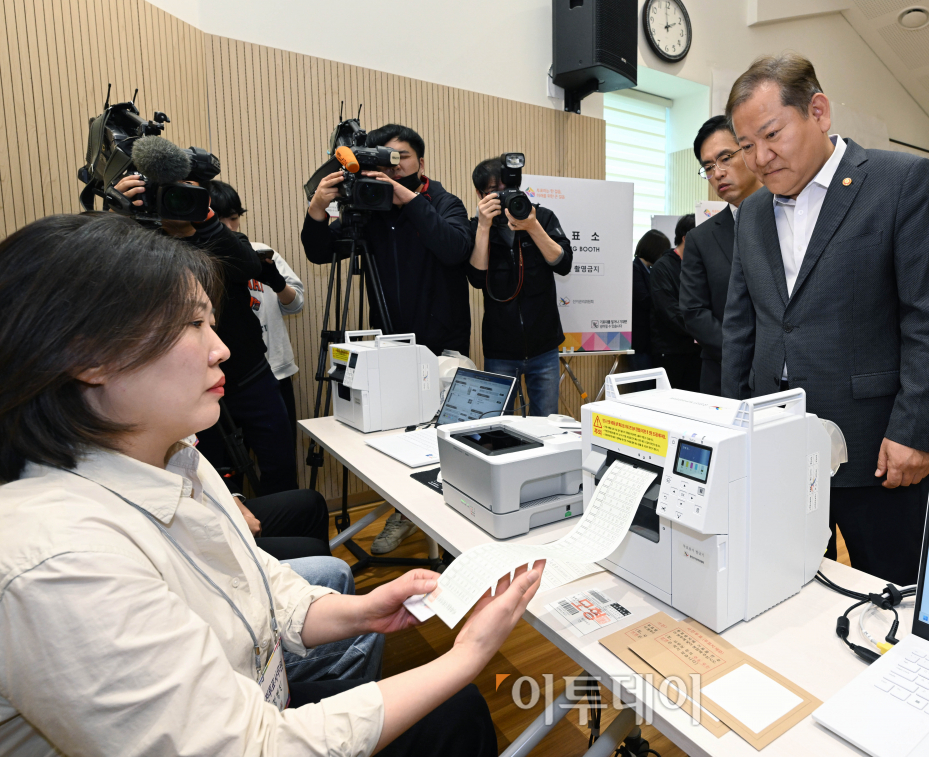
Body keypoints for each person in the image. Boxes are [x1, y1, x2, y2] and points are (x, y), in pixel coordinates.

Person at [0, 213, 542, 756]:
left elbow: (255, 580)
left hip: (255, 701)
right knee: (456, 706)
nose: (221, 349)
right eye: (192, 325)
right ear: (90, 355)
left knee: (455, 712)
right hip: (251, 735)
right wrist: (465, 655)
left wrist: (361, 610)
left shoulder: (177, 453)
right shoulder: (60, 562)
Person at [722, 53, 929, 586]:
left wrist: (916, 433)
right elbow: (744, 326)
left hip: (877, 449)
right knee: (789, 588)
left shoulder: (900, 182)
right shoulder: (755, 212)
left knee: (893, 589)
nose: (758, 158)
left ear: (819, 112)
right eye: (744, 146)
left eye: (771, 134)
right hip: (778, 449)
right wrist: (736, 426)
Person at [303, 124, 472, 555]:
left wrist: (409, 199)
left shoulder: (443, 203)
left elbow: (455, 249)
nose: (393, 168)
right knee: (400, 437)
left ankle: (452, 526)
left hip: (442, 345)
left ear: (420, 162)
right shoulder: (369, 208)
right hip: (390, 347)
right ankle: (406, 509)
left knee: (445, 440)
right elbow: (321, 251)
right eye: (385, 160)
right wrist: (319, 209)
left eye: (402, 159)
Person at [114, 152, 300, 499]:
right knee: (212, 475)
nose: (180, 201)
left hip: (250, 375)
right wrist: (119, 218)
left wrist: (207, 220)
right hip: (187, 383)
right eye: (169, 194)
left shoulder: (223, 239)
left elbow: (248, 266)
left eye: (191, 193)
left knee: (279, 465)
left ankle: (286, 532)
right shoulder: (142, 247)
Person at [468, 156, 573, 416]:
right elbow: (477, 279)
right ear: (480, 195)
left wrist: (532, 226)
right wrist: (484, 227)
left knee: (546, 428)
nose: (504, 199)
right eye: (495, 193)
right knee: (497, 426)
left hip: (544, 348)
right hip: (500, 350)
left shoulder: (543, 217)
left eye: (509, 191)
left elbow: (563, 264)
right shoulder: (478, 227)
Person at [211, 180, 306, 436]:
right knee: (231, 466)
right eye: (220, 220)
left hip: (275, 369)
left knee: (279, 458)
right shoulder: (197, 259)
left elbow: (296, 304)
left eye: (233, 218)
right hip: (225, 377)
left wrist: (276, 282)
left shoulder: (259, 251)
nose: (229, 228)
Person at [681, 115, 763, 395]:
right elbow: (694, 312)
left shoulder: (793, 219)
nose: (717, 172)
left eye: (725, 157)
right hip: (725, 377)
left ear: (749, 149)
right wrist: (747, 353)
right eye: (708, 167)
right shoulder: (700, 238)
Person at [651, 215, 702, 391]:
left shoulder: (699, 265)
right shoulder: (663, 267)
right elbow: (669, 311)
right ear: (686, 238)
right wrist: (701, 330)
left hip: (698, 351)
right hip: (671, 351)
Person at [629, 229, 671, 381]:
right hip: (641, 340)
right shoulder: (634, 269)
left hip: (650, 341)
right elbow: (644, 300)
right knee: (643, 386)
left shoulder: (648, 270)